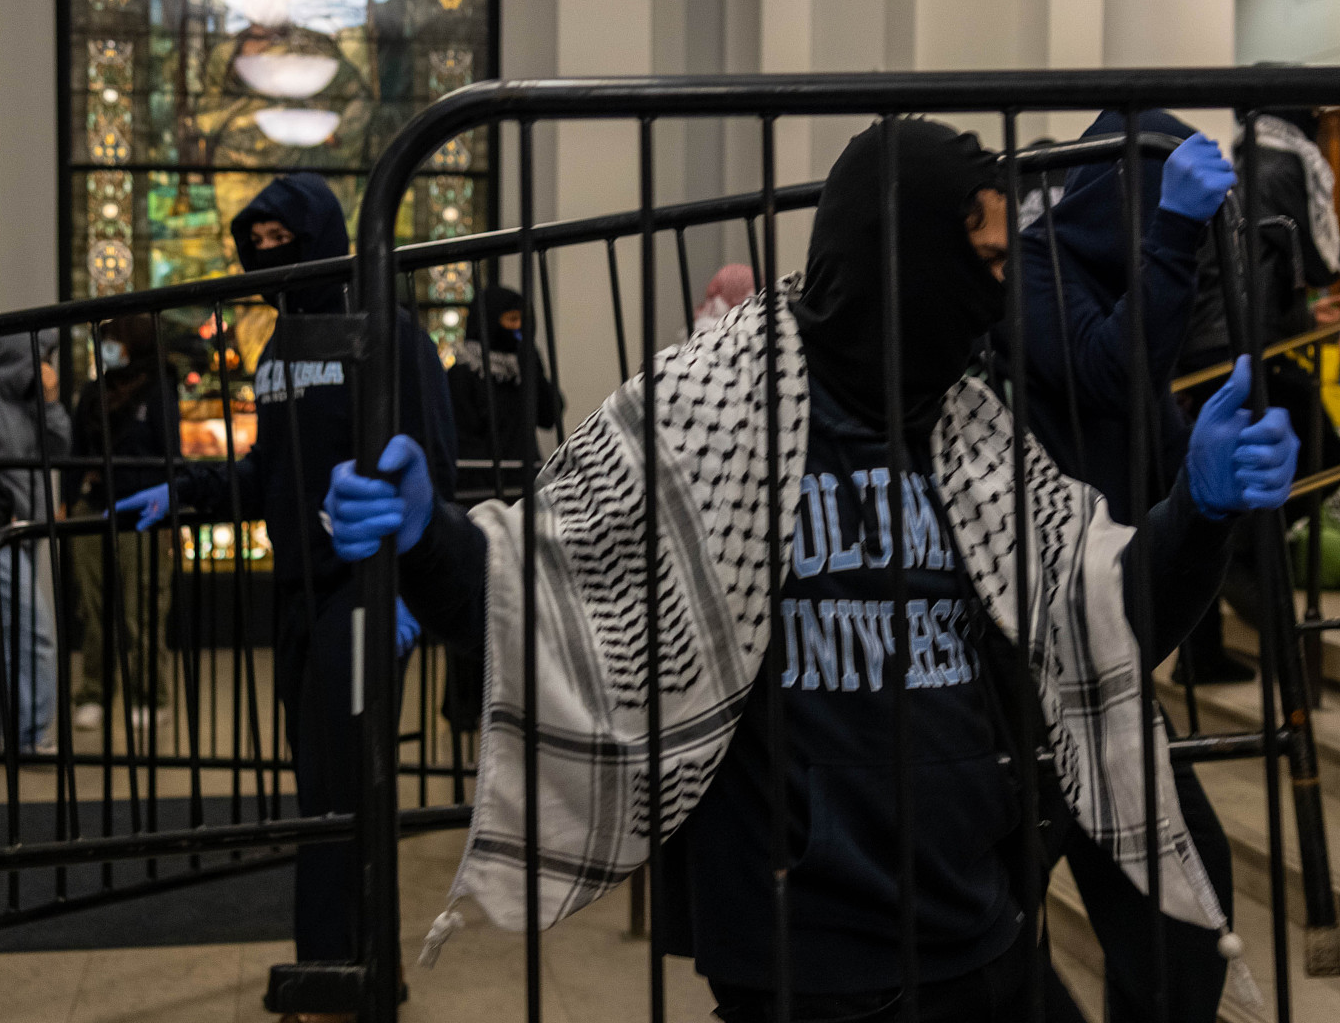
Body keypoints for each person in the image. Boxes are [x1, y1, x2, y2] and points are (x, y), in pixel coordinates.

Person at [325, 120, 1286, 1022]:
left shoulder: (977, 434)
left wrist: (1197, 512)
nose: (997, 299)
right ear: (905, 257)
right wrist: (426, 538)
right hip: (803, 959)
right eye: (985, 266)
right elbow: (540, 587)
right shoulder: (705, 411)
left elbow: (1105, 616)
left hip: (980, 925)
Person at [115, 173, 454, 1006]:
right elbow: (272, 473)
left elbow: (432, 467)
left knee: (345, 796)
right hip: (298, 595)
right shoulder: (279, 351)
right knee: (324, 795)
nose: (269, 254)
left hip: (367, 593)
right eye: (256, 241)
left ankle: (342, 972)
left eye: (283, 239)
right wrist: (190, 491)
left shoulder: (388, 333)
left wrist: (416, 591)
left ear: (325, 237)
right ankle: (350, 963)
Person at [995, 113, 1247, 1023]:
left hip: (1093, 674)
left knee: (1187, 913)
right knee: (981, 935)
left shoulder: (1126, 314)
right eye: (1156, 209)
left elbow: (1156, 488)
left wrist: (1210, 492)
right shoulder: (1029, 275)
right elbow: (1107, 369)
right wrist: (1174, 235)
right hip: (1003, 677)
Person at [0, 329, 69, 754]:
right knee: (31, 632)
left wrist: (52, 402)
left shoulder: (32, 399)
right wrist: (1, 513)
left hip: (26, 531)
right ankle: (29, 735)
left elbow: (60, 447)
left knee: (4, 634)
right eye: (42, 356)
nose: (47, 366)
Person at [66, 314, 180, 732]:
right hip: (93, 511)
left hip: (144, 515)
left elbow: (171, 453)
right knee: (95, 610)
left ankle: (151, 696)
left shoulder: (159, 390)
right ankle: (94, 693)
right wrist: (69, 498)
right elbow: (77, 453)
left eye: (113, 341)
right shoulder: (93, 394)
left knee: (144, 608)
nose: (106, 350)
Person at [447, 284, 562, 497]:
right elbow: (466, 444)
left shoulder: (521, 367)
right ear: (490, 322)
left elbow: (550, 417)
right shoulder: (463, 374)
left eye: (523, 320)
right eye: (512, 320)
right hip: (481, 492)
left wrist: (533, 368)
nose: (519, 328)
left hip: (526, 487)